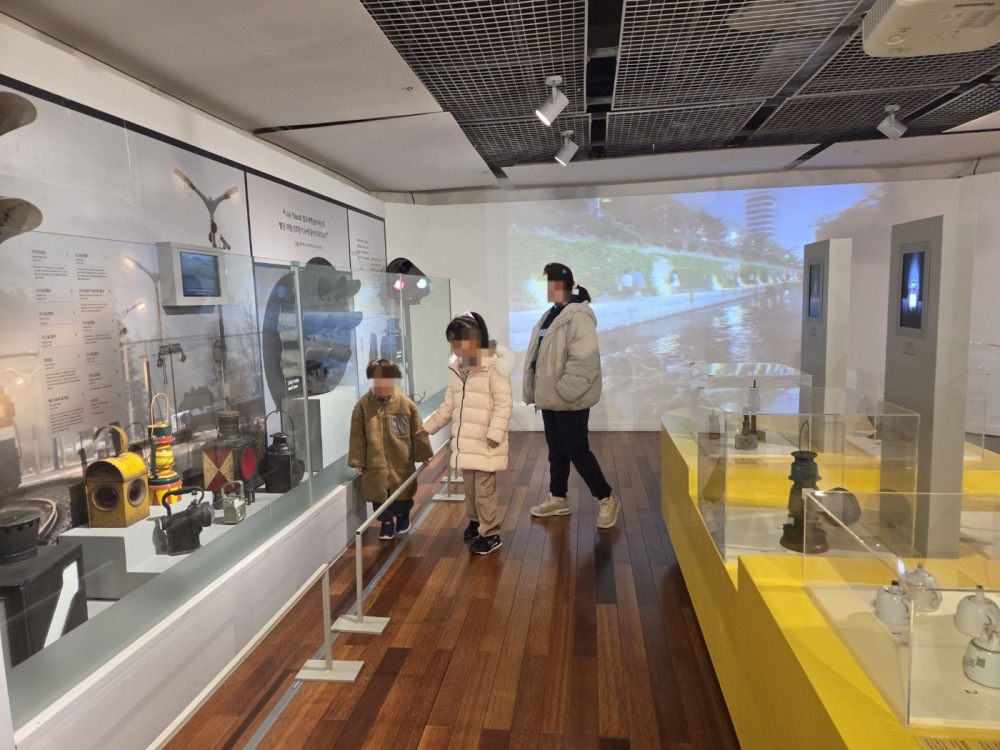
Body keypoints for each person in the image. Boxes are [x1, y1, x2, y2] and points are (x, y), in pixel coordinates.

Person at [523, 263, 620, 529]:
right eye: (547, 284)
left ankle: (607, 498)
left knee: (577, 450)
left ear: (567, 286)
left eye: (554, 284)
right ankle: (558, 497)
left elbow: (585, 360)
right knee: (557, 450)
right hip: (550, 397)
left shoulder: (579, 315)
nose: (549, 289)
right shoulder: (551, 314)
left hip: (568, 398)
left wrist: (565, 390)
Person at [423, 312, 513, 556]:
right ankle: (475, 522)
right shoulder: (457, 369)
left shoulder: (492, 366)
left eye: (461, 341)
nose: (456, 347)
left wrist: (495, 432)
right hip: (466, 442)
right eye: (453, 342)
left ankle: (491, 533)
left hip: (486, 441)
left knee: (484, 491)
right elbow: (449, 405)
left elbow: (504, 403)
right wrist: (429, 427)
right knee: (471, 490)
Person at [349, 359, 433, 541]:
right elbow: (357, 435)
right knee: (379, 494)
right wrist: (358, 460)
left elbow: (417, 431)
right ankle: (386, 522)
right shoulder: (363, 406)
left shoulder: (405, 404)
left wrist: (423, 453)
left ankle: (403, 515)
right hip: (375, 462)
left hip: (401, 459)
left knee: (403, 492)